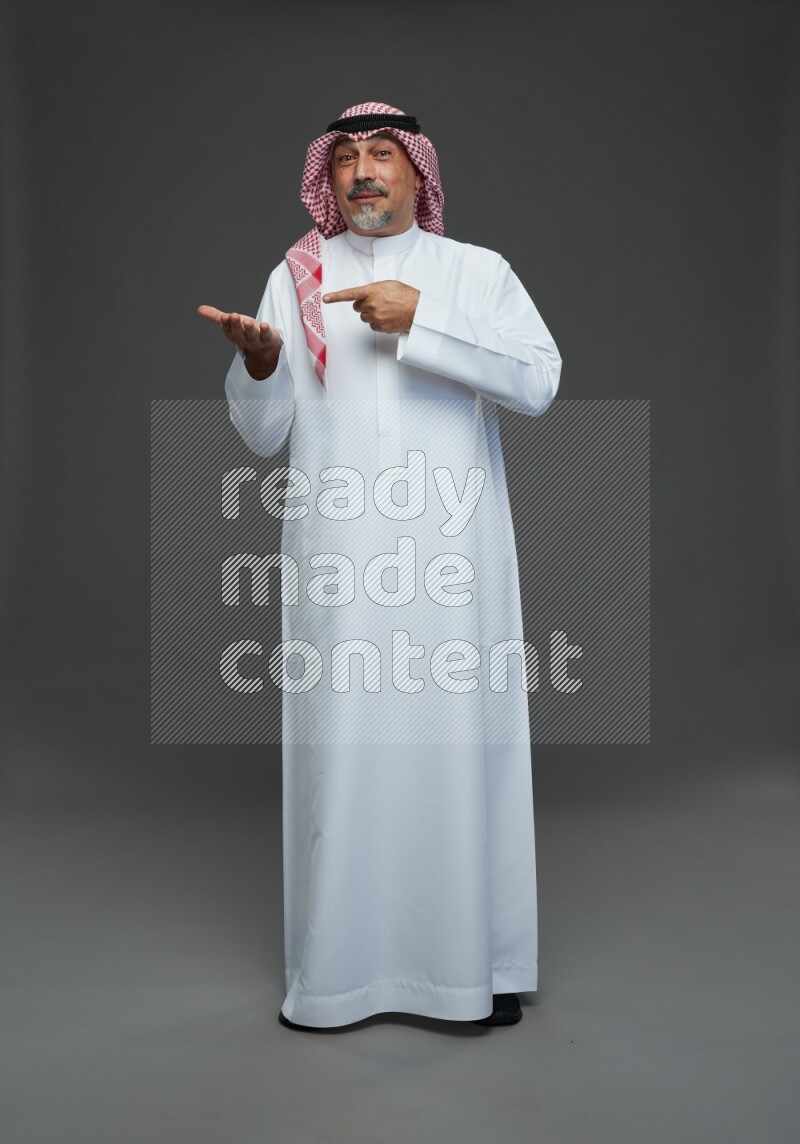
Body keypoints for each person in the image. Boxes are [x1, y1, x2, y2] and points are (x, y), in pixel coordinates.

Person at [198, 102, 562, 1030]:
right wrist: (262, 365)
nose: (364, 172)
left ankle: (473, 967)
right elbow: (264, 434)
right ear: (331, 175)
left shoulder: (475, 273)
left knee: (457, 747)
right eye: (349, 157)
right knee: (347, 757)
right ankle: (342, 978)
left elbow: (537, 382)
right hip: (340, 562)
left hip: (452, 558)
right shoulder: (298, 275)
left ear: (418, 175)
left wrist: (423, 320)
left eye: (383, 155)